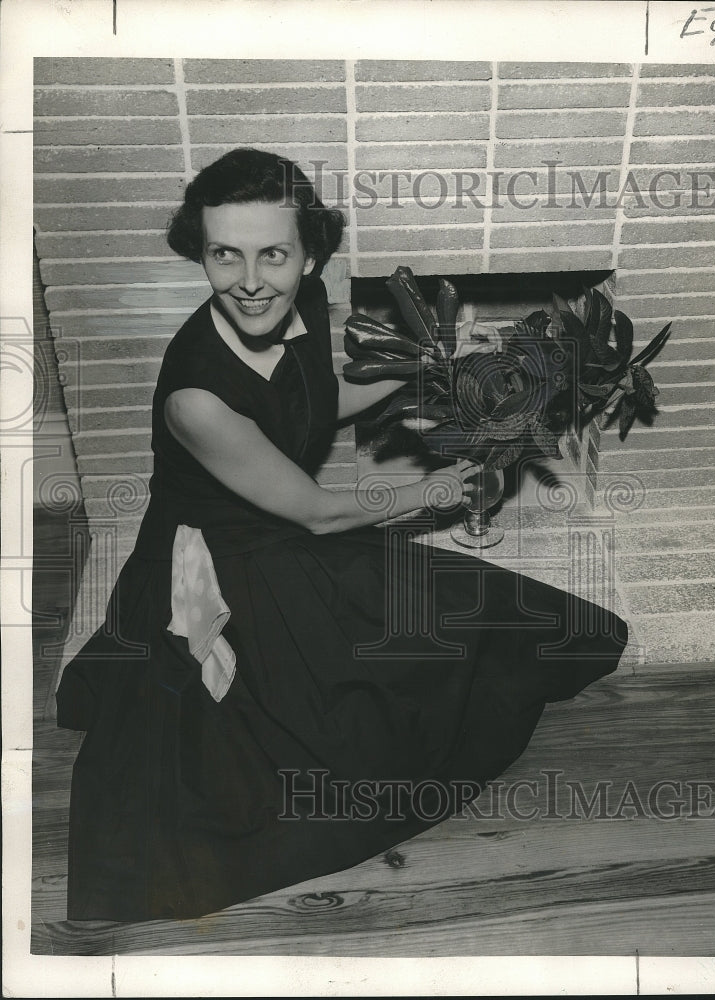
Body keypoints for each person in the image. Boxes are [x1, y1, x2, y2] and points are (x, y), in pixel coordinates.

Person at [56, 148, 629, 922]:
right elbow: (319, 512)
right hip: (225, 569)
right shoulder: (197, 397)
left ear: (311, 255)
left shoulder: (304, 301)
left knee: (487, 621)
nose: (250, 280)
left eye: (274, 254)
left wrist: (439, 365)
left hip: (288, 536)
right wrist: (427, 490)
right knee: (333, 747)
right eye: (225, 254)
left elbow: (322, 395)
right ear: (203, 252)